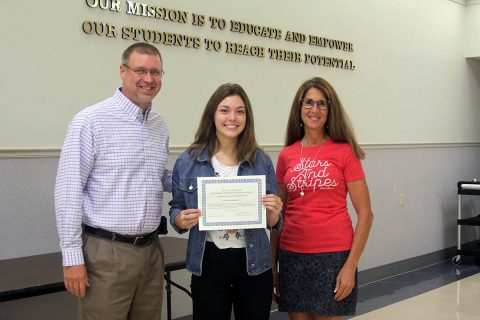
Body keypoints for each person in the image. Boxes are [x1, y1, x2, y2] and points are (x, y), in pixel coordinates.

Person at [55, 42, 171, 320]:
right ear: (122, 71)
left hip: (151, 252)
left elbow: (159, 178)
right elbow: (68, 190)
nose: (148, 79)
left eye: (155, 72)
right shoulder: (90, 121)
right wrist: (72, 258)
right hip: (105, 254)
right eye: (140, 70)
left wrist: (206, 177)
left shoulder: (159, 125)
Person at [169, 83, 283, 320]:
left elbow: (273, 220)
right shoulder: (189, 160)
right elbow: (176, 208)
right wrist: (180, 218)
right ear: (212, 114)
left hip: (253, 263)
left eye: (240, 111)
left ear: (247, 117)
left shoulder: (260, 159)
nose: (232, 117)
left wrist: (274, 214)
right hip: (209, 261)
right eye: (224, 110)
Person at [271, 77, 374, 320]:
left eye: (321, 104)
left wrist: (350, 266)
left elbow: (366, 214)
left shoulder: (344, 151)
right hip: (292, 257)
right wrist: (272, 266)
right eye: (308, 103)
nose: (314, 110)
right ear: (299, 108)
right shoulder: (286, 155)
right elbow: (277, 216)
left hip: (333, 257)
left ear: (330, 110)